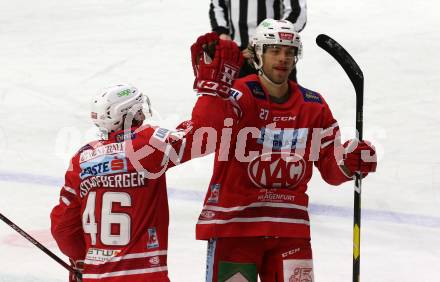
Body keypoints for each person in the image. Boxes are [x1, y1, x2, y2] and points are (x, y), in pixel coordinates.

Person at [190, 19, 377, 282]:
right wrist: (211, 90)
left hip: (290, 228)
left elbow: (331, 169)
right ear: (258, 53)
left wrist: (350, 161)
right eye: (274, 50)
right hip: (236, 228)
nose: (283, 58)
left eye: (289, 51)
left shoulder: (314, 105)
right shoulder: (237, 96)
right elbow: (203, 131)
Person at [50, 84, 202, 282]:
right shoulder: (147, 143)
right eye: (139, 110)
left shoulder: (82, 159)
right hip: (144, 276)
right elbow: (202, 135)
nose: (144, 116)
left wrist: (82, 261)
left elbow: (63, 229)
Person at [209, 0, 307, 79]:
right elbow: (217, 5)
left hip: (273, 51)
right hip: (237, 55)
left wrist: (261, 42)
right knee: (236, 100)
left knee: (282, 101)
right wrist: (221, 32)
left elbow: (297, 13)